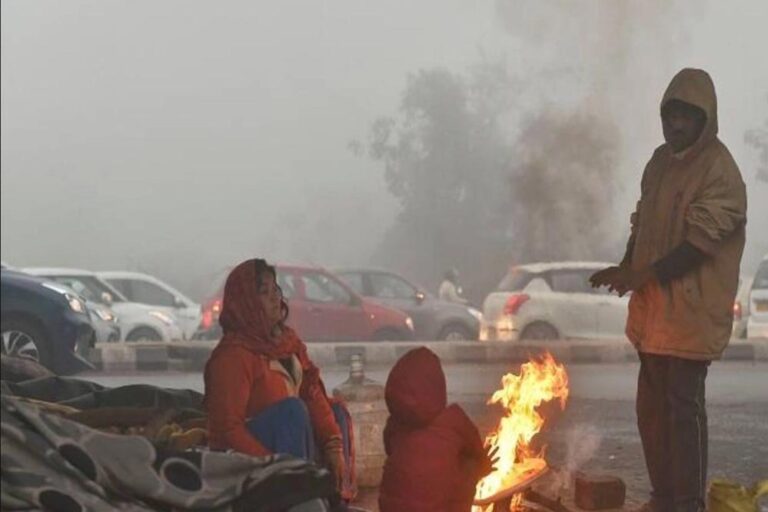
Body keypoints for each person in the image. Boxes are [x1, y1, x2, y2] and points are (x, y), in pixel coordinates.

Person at [590, 68, 747, 512]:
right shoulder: (658, 163)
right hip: (653, 315)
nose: (675, 125)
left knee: (682, 412)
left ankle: (687, 504)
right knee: (651, 414)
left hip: (692, 316)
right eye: (669, 115)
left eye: (686, 117)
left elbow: (699, 245)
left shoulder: (721, 170)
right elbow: (642, 224)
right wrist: (624, 268)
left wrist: (642, 276)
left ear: (705, 120)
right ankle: (662, 497)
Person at [204, 259, 353, 500]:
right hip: (248, 459)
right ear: (247, 303)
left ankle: (331, 496)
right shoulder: (232, 356)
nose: (275, 298)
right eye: (264, 292)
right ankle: (296, 497)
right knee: (292, 412)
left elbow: (311, 392)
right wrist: (274, 467)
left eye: (276, 289)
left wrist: (333, 445)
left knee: (335, 414)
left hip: (291, 445)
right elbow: (227, 429)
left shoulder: (287, 343)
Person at [378, 347, 496, 512]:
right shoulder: (455, 421)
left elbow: (390, 449)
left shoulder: (394, 425)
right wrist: (482, 468)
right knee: (469, 463)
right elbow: (478, 454)